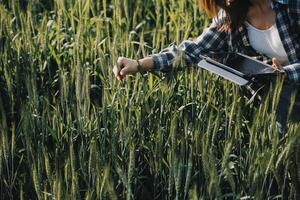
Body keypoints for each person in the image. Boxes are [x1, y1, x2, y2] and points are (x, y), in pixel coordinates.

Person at [113, 0, 300, 133]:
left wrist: (287, 72)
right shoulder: (232, 15)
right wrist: (139, 64)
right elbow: (194, 50)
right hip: (284, 96)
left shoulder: (292, 4)